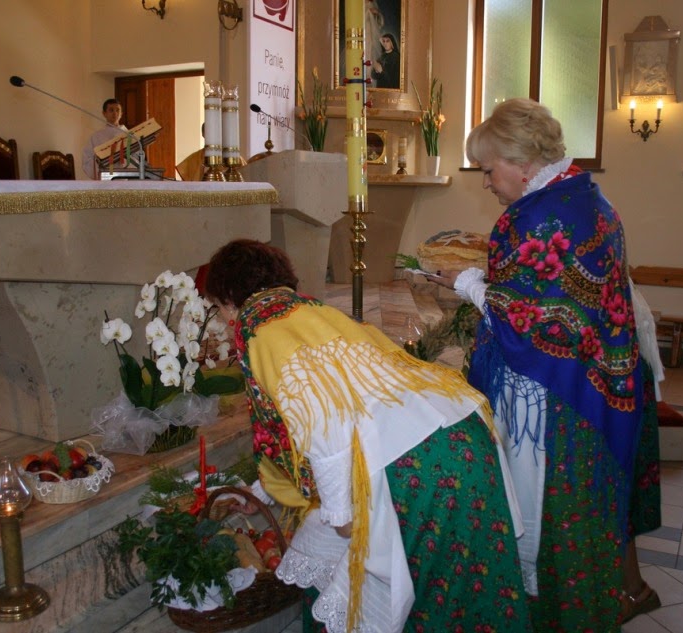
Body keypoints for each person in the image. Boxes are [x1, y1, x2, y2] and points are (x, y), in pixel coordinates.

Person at [204, 239, 531, 633]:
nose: (224, 320)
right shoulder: (313, 311)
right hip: (463, 438)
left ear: (230, 299)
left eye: (218, 308)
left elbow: (320, 418)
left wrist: (341, 516)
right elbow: (297, 432)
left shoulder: (260, 330)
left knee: (423, 606)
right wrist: (261, 492)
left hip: (419, 466)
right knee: (471, 595)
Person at [430, 98, 662, 631]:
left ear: (521, 163)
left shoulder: (535, 216)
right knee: (596, 503)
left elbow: (525, 320)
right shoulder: (586, 194)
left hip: (560, 395)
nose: (486, 182)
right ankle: (622, 592)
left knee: (558, 513)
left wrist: (467, 283)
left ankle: (567, 615)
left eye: (488, 169)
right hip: (604, 380)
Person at [81, 98, 128, 179]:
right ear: (104, 113)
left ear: (121, 113)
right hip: (105, 179)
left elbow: (136, 158)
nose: (115, 113)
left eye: (117, 110)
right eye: (111, 110)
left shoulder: (129, 135)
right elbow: (87, 160)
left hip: (124, 179)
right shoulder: (96, 136)